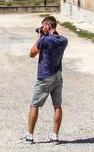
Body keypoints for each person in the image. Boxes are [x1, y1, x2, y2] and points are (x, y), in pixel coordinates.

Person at [23, 15, 68, 144]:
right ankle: (55, 136)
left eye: (44, 26)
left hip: (44, 76)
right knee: (57, 105)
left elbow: (32, 53)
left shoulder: (44, 40)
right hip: (57, 75)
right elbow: (56, 38)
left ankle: (29, 136)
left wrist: (40, 37)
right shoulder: (64, 40)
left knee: (35, 104)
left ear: (48, 26)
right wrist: (47, 34)